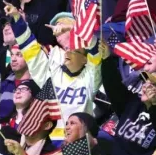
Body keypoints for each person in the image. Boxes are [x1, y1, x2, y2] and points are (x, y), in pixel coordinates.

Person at [8, 10, 101, 143]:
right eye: (67, 50)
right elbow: (31, 50)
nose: (68, 52)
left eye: (74, 51)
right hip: (49, 142)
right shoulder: (52, 75)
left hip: (78, 142)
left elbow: (94, 49)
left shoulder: (90, 78)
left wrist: (72, 28)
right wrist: (17, 19)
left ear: (85, 59)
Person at [99, 39, 156, 155]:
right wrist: (107, 60)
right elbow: (113, 88)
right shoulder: (132, 102)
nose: (146, 85)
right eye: (146, 81)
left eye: (152, 84)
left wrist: (154, 105)